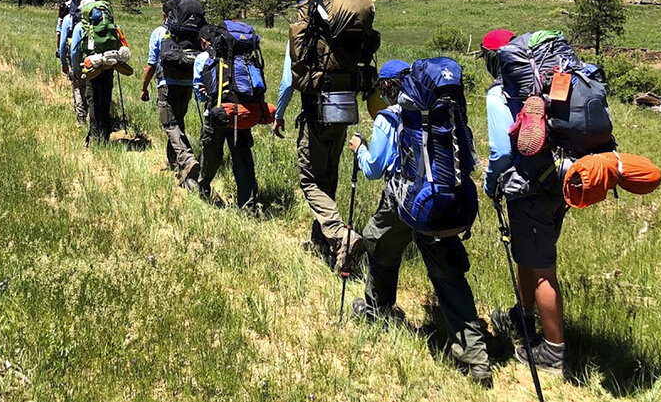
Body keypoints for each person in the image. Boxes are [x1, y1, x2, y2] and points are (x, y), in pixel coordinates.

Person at [348, 60, 492, 388]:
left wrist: (359, 150)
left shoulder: (389, 118)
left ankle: (377, 309)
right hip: (442, 200)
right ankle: (476, 357)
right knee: (449, 277)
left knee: (376, 241)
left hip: (402, 200)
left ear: (387, 87)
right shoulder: (440, 116)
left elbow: (372, 169)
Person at [480, 28, 567, 376]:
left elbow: (501, 152)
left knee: (544, 269)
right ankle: (524, 313)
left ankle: (553, 352)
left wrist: (490, 185)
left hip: (525, 186)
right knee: (527, 254)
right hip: (558, 178)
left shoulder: (499, 95)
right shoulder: (546, 83)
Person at [273, 43, 360, 273]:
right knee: (329, 176)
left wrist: (279, 115)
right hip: (343, 114)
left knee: (310, 181)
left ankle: (341, 235)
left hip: (316, 117)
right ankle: (321, 241)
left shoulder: (304, 36)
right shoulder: (341, 34)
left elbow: (287, 81)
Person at [193, 24, 258, 209]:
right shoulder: (245, 60)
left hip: (217, 113)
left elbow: (200, 93)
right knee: (242, 157)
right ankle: (248, 203)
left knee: (211, 153)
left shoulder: (206, 59)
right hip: (242, 111)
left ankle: (203, 188)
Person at [142, 1, 201, 189]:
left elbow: (152, 64)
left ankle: (187, 159)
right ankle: (175, 163)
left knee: (169, 123)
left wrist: (144, 87)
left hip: (167, 83)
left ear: (164, 15)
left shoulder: (159, 32)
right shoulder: (192, 32)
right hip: (187, 83)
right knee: (178, 121)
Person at [58, 0, 98, 125]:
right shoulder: (100, 19)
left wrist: (65, 63)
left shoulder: (69, 19)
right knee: (95, 87)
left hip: (79, 59)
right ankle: (97, 119)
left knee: (79, 87)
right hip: (98, 58)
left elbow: (63, 44)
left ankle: (81, 120)